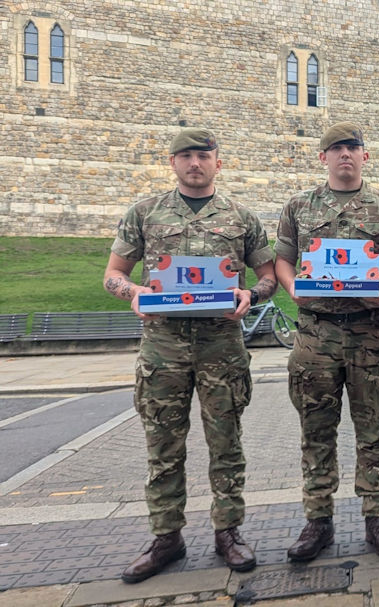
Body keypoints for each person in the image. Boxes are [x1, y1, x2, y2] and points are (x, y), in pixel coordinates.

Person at [104, 128, 276, 582]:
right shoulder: (145, 213)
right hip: (163, 348)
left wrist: (250, 295)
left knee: (226, 444)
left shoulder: (241, 218)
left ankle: (229, 533)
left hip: (221, 345)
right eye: (186, 156)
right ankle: (166, 538)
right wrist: (134, 291)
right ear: (172, 163)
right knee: (163, 447)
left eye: (203, 155)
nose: (194, 163)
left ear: (219, 162)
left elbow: (268, 277)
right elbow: (113, 274)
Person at [274, 122, 379, 561]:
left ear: (365, 156)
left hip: (370, 333)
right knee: (316, 432)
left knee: (373, 433)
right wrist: (292, 288)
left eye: (352, 148)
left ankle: (376, 516)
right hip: (316, 334)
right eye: (336, 149)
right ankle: (318, 520)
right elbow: (283, 261)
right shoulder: (299, 207)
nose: (344, 154)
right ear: (322, 157)